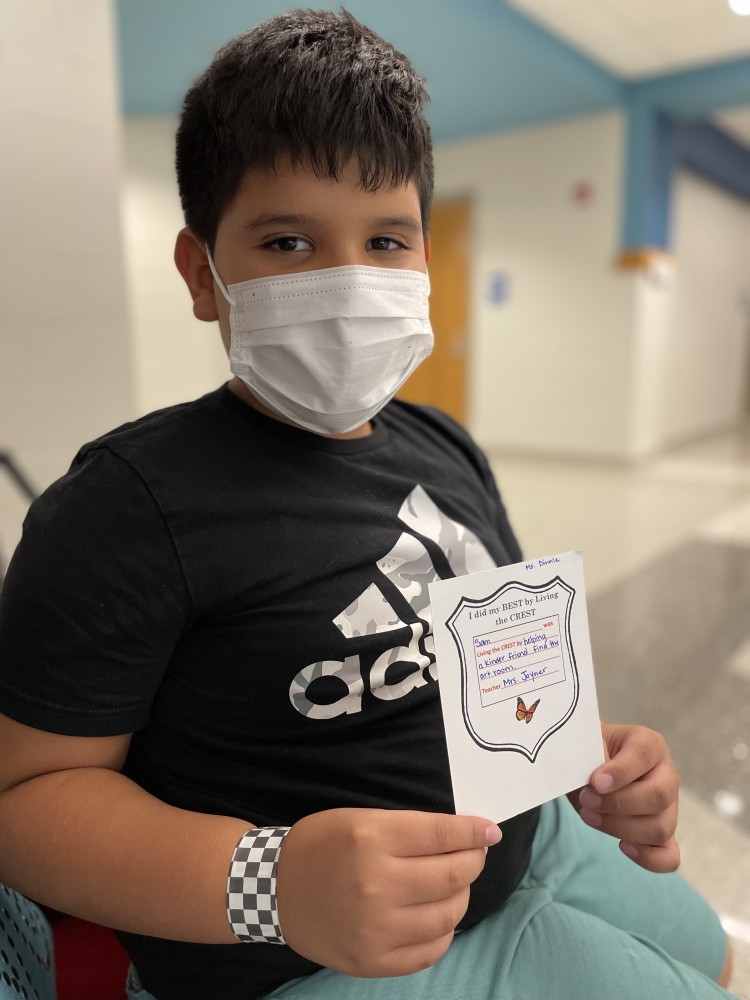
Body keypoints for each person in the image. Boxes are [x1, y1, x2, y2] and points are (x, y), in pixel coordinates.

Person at [0, 10, 735, 1000]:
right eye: (288, 239)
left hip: (531, 840)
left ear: (425, 256)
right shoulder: (127, 511)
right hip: (308, 956)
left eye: (386, 238)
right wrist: (269, 883)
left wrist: (586, 755)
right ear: (203, 274)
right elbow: (25, 799)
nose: (347, 281)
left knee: (711, 951)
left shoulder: (446, 448)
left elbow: (503, 667)